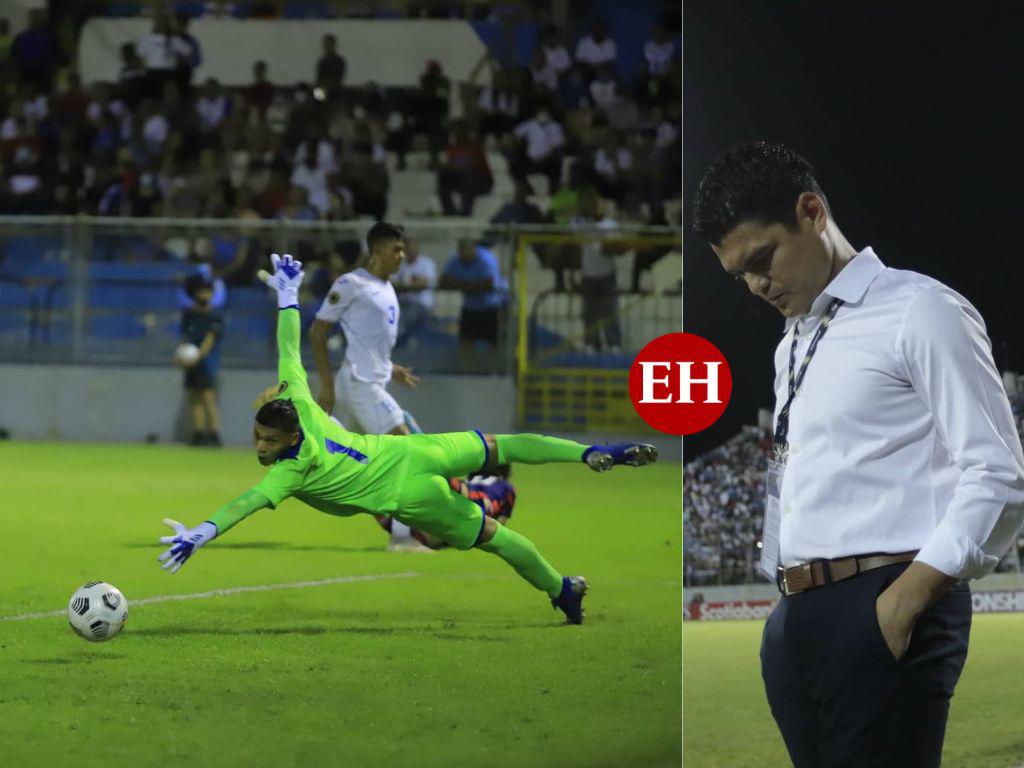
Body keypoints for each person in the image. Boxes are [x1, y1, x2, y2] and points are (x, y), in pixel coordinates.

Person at [692, 141, 1024, 767]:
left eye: (763, 259)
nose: (757, 285)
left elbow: (998, 472)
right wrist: (785, 618)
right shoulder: (793, 342)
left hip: (888, 597)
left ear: (812, 212)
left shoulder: (919, 310)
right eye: (740, 276)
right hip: (798, 615)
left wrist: (903, 604)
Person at [157, 252, 659, 627]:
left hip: (408, 492)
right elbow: (289, 347)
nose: (260, 447)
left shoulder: (292, 468)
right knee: (502, 448)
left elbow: (246, 503)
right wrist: (288, 295)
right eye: (256, 437)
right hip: (414, 451)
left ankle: (562, 588)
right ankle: (590, 455)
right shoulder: (298, 401)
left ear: (291, 436)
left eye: (267, 440)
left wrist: (202, 532)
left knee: (496, 533)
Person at [439, 238, 508, 372]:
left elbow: (488, 284)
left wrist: (460, 284)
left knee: (494, 343)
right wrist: (472, 285)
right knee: (466, 342)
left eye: (466, 252)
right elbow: (443, 282)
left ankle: (493, 372)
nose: (463, 256)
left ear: (474, 249)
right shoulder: (455, 260)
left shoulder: (486, 259)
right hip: (470, 307)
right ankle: (466, 372)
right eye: (461, 252)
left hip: (491, 306)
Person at [179, 273, 225, 447]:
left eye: (207, 292)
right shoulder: (189, 314)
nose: (204, 295)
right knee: (194, 397)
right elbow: (185, 337)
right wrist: (181, 356)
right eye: (201, 292)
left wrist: (198, 356)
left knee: (207, 397)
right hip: (191, 363)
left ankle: (214, 433)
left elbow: (210, 338)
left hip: (206, 363)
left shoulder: (214, 315)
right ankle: (198, 432)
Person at [392, 236, 437, 348]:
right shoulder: (398, 263)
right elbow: (391, 284)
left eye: (411, 247)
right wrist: (410, 283)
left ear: (417, 248)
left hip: (421, 305)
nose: (409, 250)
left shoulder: (427, 263)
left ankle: (396, 342)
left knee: (401, 318)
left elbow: (422, 284)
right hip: (401, 303)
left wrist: (405, 284)